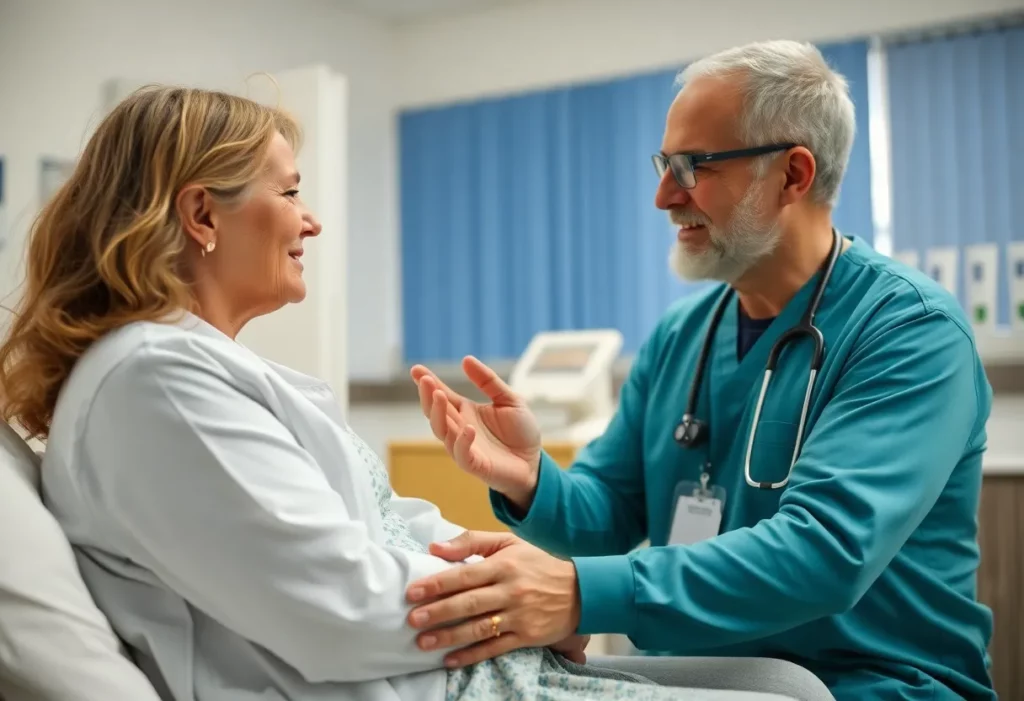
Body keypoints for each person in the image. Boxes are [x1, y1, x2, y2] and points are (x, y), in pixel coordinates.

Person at [0, 85, 768, 701]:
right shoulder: (154, 385)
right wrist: (528, 605)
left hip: (444, 665)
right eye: (291, 191)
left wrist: (527, 575)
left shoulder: (190, 367)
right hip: (414, 676)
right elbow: (341, 601)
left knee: (786, 682)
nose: (313, 220)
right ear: (203, 213)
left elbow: (390, 525)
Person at [405, 39, 996, 701]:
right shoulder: (682, 335)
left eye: (693, 166)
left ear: (793, 175)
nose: (663, 195)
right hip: (699, 679)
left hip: (874, 683)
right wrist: (531, 481)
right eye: (664, 163)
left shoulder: (909, 331)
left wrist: (576, 594)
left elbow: (825, 552)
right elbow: (609, 513)